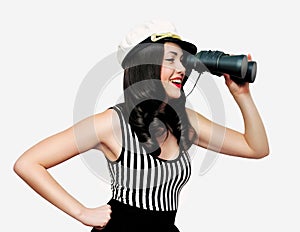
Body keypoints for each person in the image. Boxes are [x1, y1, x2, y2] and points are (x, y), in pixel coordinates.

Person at [13, 19, 269, 232]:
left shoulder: (185, 122)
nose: (181, 69)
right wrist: (81, 212)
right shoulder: (110, 123)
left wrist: (241, 95)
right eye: (171, 60)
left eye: (182, 61)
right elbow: (28, 163)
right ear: (146, 65)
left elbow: (255, 148)